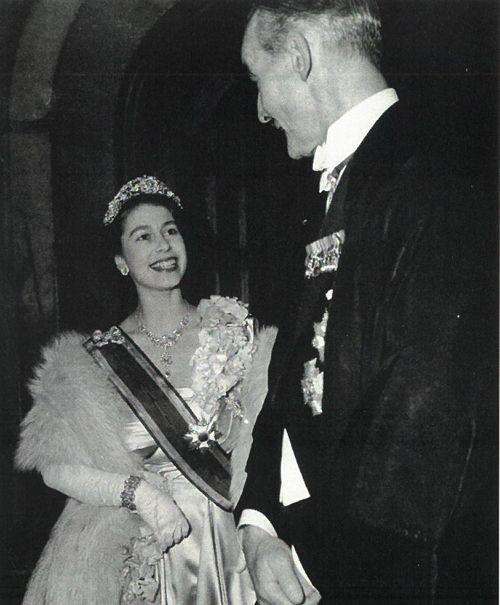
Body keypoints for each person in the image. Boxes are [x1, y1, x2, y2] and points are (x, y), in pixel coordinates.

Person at [237, 1, 495, 603]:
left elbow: (425, 406)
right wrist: (261, 521)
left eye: (257, 80)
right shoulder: (329, 186)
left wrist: (314, 558)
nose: (259, 110)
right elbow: (293, 376)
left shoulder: (441, 168)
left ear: (298, 55)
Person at [15, 175, 276, 605]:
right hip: (144, 549)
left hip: (233, 548)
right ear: (121, 261)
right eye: (144, 236)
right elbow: (55, 468)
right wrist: (140, 494)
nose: (164, 245)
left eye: (171, 231)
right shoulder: (96, 360)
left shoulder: (234, 331)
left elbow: (269, 439)